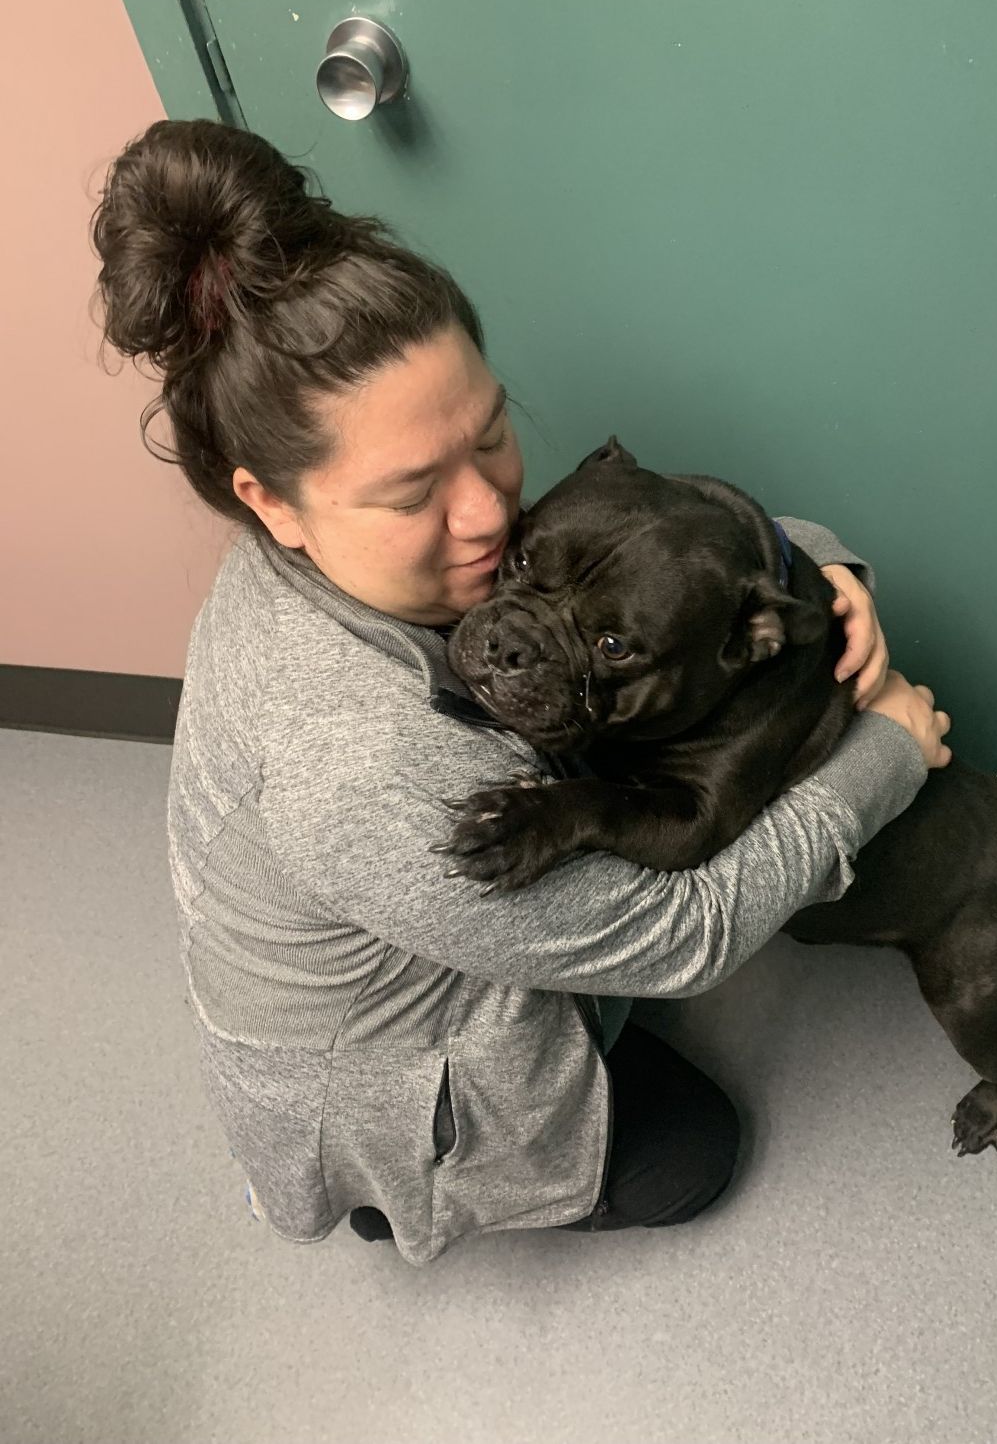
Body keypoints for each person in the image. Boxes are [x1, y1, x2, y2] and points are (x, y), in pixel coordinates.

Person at [92, 119, 952, 1267]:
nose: (493, 517)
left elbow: (649, 556)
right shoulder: (356, 767)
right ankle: (381, 1190)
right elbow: (680, 937)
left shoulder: (345, 548)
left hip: (424, 901)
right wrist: (884, 758)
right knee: (694, 1152)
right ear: (273, 502)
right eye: (414, 495)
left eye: (492, 435)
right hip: (381, 1066)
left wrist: (824, 570)